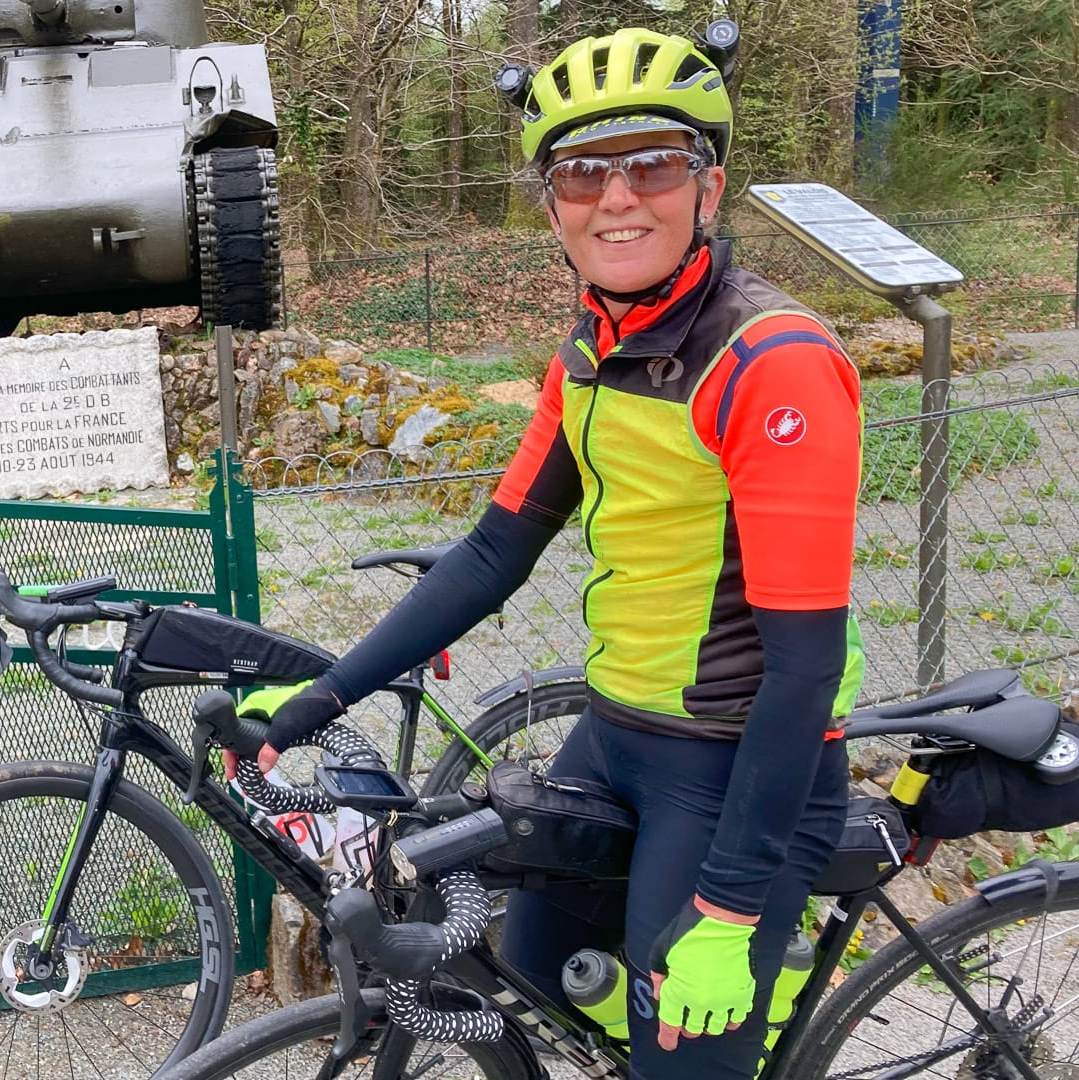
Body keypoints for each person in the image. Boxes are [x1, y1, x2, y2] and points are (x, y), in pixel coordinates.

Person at [253, 25, 865, 1080]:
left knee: (684, 1059)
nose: (617, 198)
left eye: (652, 165)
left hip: (743, 764)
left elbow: (805, 667)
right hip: (615, 736)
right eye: (583, 173)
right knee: (528, 980)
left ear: (708, 188)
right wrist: (322, 695)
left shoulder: (774, 362)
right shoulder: (588, 353)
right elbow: (495, 551)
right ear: (551, 205)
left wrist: (728, 908)